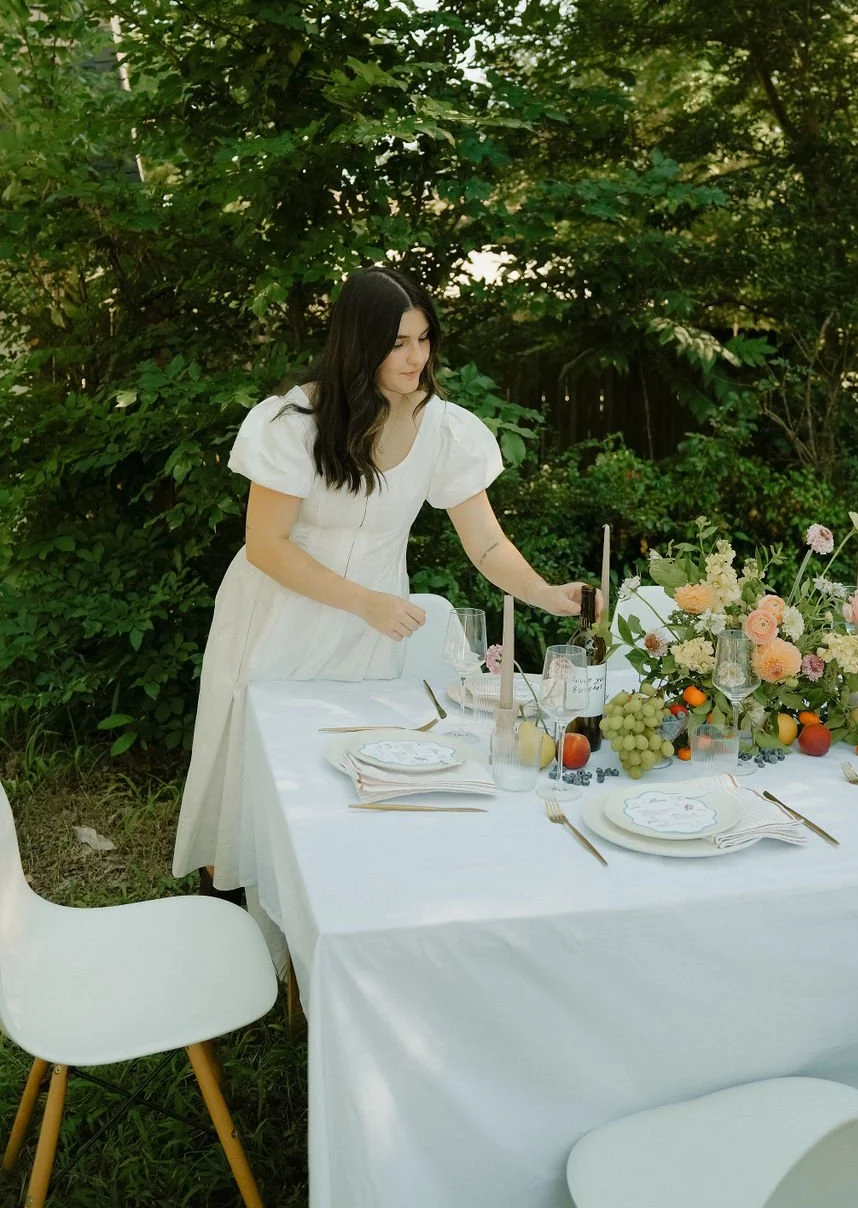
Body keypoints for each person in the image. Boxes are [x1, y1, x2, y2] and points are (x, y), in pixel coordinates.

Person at [173, 265, 589, 891]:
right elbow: (264, 545)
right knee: (255, 768)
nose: (416, 357)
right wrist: (363, 601)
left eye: (423, 340)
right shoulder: (295, 422)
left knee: (346, 764)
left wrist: (545, 594)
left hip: (369, 626)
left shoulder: (444, 427)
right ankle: (234, 900)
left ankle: (329, 899)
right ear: (359, 342)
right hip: (278, 615)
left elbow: (487, 541)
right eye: (398, 342)